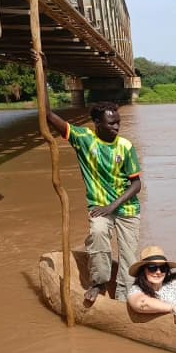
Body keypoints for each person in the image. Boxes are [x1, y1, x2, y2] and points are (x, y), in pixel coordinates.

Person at [41, 85, 141, 304]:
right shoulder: (84, 139)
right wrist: (44, 71)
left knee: (129, 257)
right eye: (111, 123)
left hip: (127, 208)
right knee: (97, 234)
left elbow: (136, 185)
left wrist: (112, 207)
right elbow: (48, 115)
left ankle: (125, 297)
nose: (116, 127)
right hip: (99, 207)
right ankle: (99, 282)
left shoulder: (125, 146)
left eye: (118, 122)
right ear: (97, 123)